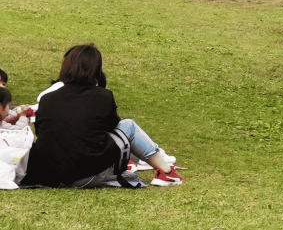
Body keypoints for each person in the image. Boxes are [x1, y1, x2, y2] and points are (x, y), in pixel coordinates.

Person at [23, 44, 182, 188]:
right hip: (87, 174)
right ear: (96, 69)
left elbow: (42, 131)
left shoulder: (47, 98)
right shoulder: (103, 96)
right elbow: (114, 127)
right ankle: (166, 171)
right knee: (129, 126)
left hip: (50, 175)